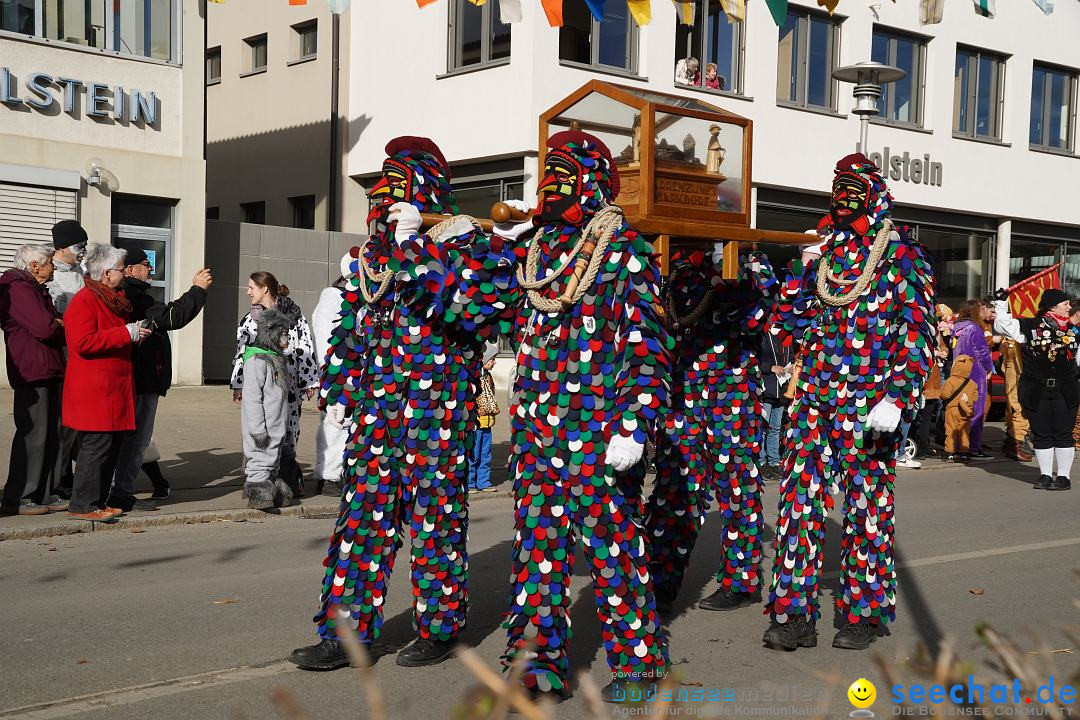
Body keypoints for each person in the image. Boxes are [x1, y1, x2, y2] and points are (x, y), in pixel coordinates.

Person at [289, 136, 518, 672]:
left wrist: (416, 247)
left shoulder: (466, 246)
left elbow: (472, 309)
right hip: (376, 412)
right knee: (362, 521)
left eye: (396, 187)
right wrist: (342, 391)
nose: (383, 201)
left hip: (438, 413)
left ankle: (440, 627)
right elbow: (353, 323)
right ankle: (346, 634)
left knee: (436, 522)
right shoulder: (373, 255)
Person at [492, 130, 671, 702]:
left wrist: (635, 423)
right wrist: (494, 246)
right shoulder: (534, 251)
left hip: (598, 429)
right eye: (549, 171)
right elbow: (480, 305)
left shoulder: (623, 250)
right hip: (538, 429)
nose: (551, 184)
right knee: (537, 551)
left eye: (564, 173)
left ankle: (639, 664)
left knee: (613, 549)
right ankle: (537, 663)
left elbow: (648, 343)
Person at [763, 153, 935, 651]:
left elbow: (917, 330)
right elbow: (785, 323)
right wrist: (802, 269)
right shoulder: (824, 259)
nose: (843, 199)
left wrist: (898, 396)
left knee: (867, 509)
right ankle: (794, 613)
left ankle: (863, 610)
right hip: (813, 402)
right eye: (838, 190)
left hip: (869, 407)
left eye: (853, 190)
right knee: (799, 506)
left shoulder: (901, 256)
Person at [642, 246, 775, 618]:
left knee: (737, 487)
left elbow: (761, 312)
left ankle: (741, 581)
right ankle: (660, 581)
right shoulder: (676, 266)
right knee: (674, 487)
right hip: (685, 389)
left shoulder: (746, 263)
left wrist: (740, 270)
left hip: (730, 389)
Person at [110, 250, 212, 511]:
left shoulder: (135, 296)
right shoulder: (134, 298)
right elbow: (171, 317)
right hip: (141, 379)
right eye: (146, 265)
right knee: (136, 440)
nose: (151, 270)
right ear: (130, 270)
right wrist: (197, 290)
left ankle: (119, 489)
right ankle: (121, 493)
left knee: (134, 439)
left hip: (141, 378)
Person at [63, 245, 151, 522]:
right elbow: (83, 342)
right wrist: (126, 334)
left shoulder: (110, 298)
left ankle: (97, 501)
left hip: (113, 385)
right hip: (95, 387)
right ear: (104, 273)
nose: (124, 273)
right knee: (96, 447)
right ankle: (83, 504)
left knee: (110, 446)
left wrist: (132, 335)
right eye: (120, 269)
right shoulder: (86, 300)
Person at [230, 272, 319, 499]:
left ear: (264, 289)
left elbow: (304, 347)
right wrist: (238, 383)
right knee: (261, 426)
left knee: (287, 430)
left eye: (252, 287)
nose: (248, 291)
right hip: (262, 380)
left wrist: (309, 380)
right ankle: (263, 477)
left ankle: (286, 475)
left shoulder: (293, 315)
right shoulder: (248, 320)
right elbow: (242, 354)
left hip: (288, 382)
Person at [0, 244, 68, 515]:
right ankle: (21, 495)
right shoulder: (18, 288)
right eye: (49, 262)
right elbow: (44, 326)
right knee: (34, 434)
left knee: (53, 433)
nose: (53, 266)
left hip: (49, 367)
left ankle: (45, 492)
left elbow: (50, 324)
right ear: (34, 266)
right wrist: (60, 325)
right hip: (32, 370)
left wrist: (58, 324)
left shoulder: (36, 288)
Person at [994, 287, 1078, 491]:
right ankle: (1045, 475)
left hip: (1065, 389)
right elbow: (1002, 325)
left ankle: (1064, 477)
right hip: (1036, 389)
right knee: (1041, 433)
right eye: (1065, 303)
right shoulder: (1029, 325)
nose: (1069, 307)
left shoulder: (1074, 330)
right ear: (1052, 306)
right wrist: (1002, 303)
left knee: (1063, 433)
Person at [47, 220, 87, 498]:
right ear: (61, 246)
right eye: (78, 246)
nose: (82, 251)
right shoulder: (51, 275)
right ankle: (60, 480)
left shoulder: (82, 273)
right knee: (63, 424)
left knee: (77, 423)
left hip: (82, 357)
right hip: (61, 358)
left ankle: (73, 476)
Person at [240, 309, 296, 509]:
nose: (286, 339)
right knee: (260, 459)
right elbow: (252, 398)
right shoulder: (257, 360)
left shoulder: (276, 359)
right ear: (270, 332)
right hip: (262, 429)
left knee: (273, 460)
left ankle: (272, 489)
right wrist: (257, 429)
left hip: (276, 427)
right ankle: (258, 492)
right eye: (283, 334)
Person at [310, 277, 349, 497]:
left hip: (348, 370)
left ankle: (338, 471)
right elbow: (326, 339)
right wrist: (334, 370)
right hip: (338, 371)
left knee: (344, 423)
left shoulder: (347, 300)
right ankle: (328, 475)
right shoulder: (332, 300)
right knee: (336, 421)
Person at [951, 300, 994, 460]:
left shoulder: (958, 327)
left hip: (959, 372)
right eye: (982, 309)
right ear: (975, 311)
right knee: (975, 410)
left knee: (960, 410)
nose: (984, 312)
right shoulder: (975, 328)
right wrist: (989, 368)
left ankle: (958, 446)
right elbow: (983, 352)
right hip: (975, 372)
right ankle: (973, 448)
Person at [760, 323, 793, 480]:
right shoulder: (764, 337)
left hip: (781, 389)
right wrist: (771, 367)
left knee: (775, 428)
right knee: (763, 428)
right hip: (767, 389)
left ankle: (773, 462)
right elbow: (757, 361)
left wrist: (791, 367)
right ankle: (761, 462)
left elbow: (791, 358)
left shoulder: (785, 339)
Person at [468, 342, 500, 494]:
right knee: (474, 452)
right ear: (483, 359)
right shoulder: (475, 378)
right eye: (492, 359)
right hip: (477, 423)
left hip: (488, 422)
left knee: (485, 453)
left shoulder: (489, 378)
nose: (494, 362)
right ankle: (470, 481)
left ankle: (483, 481)